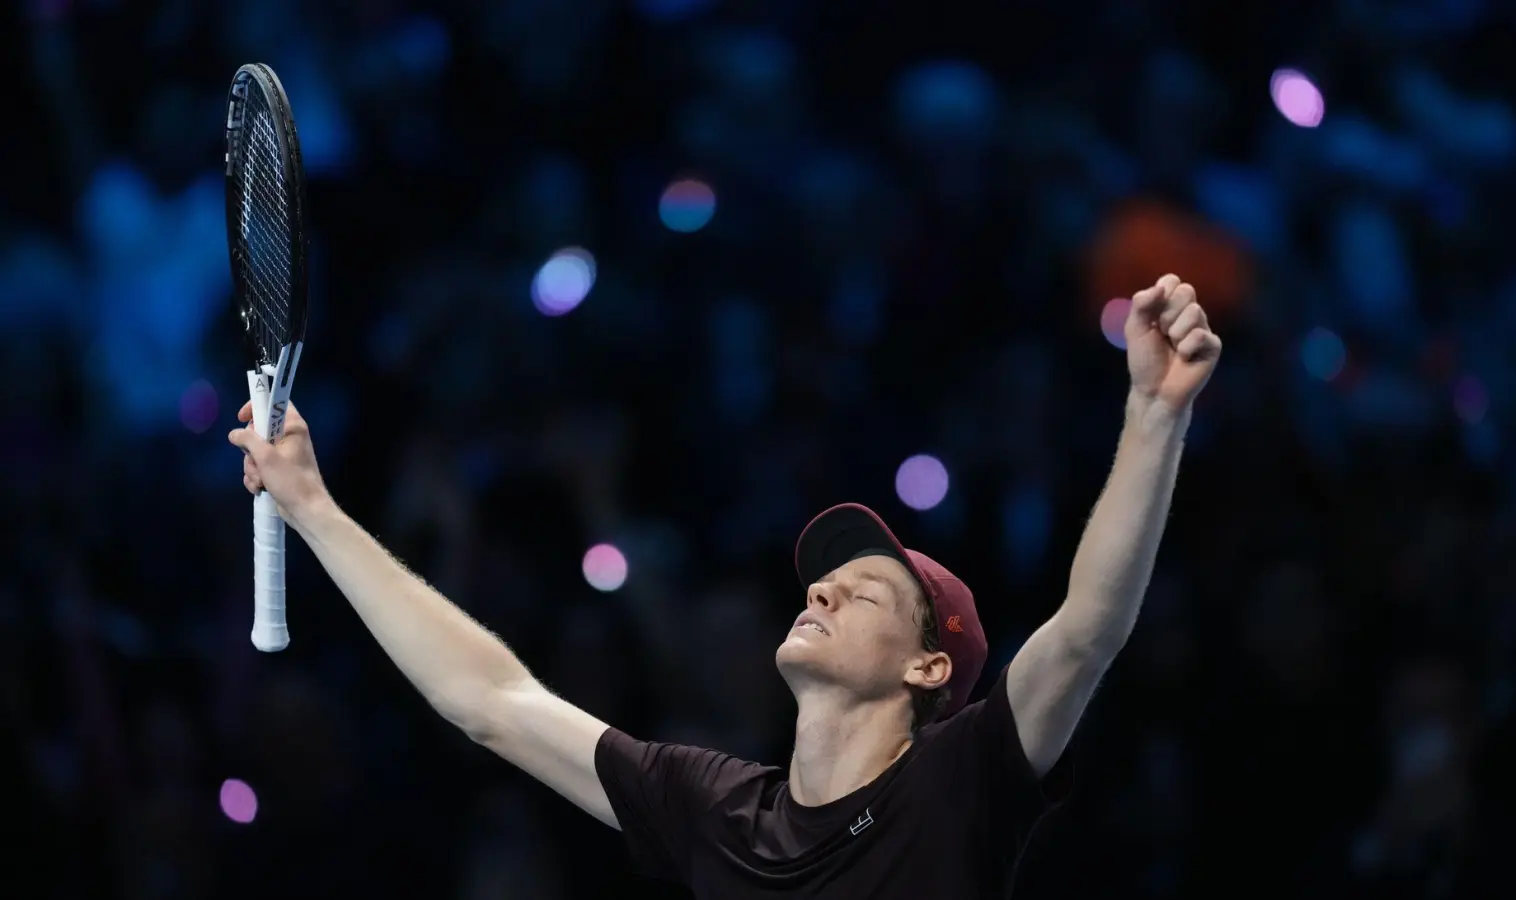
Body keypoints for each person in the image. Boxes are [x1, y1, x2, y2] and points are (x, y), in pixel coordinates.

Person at [228, 274, 1221, 898]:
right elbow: (491, 701)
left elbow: (1087, 629)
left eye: (863, 590)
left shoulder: (958, 785)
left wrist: (1152, 414)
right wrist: (317, 511)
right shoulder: (712, 808)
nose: (821, 592)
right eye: (824, 582)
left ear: (926, 666)